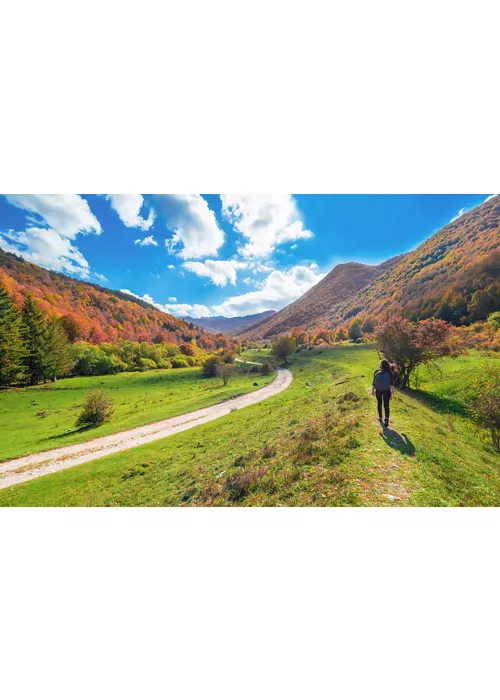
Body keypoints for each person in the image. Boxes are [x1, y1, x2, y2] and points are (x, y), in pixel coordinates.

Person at [372, 359, 395, 428]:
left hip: (378, 390)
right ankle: (387, 418)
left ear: (380, 365)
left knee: (379, 403)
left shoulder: (376, 372)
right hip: (386, 390)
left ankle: (380, 417)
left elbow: (373, 383)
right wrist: (392, 392)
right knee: (386, 405)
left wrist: (372, 391)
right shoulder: (390, 373)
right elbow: (392, 384)